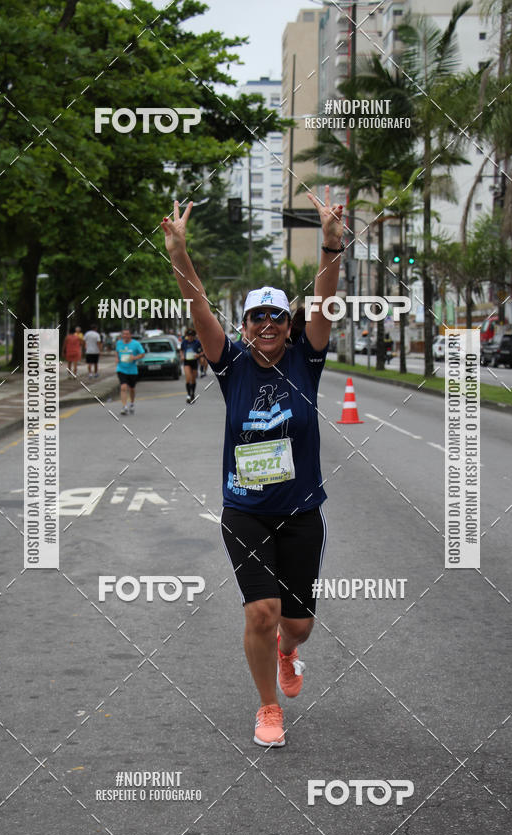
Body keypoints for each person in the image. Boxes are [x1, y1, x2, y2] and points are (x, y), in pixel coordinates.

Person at [162, 187, 343, 748]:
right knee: (261, 613)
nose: (267, 324)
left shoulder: (306, 360)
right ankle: (268, 708)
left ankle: (289, 655)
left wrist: (331, 244)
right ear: (243, 326)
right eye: (256, 317)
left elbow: (323, 299)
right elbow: (197, 305)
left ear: (288, 325)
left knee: (298, 626)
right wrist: (179, 254)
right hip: (244, 509)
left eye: (276, 317)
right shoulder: (232, 363)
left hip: (301, 511)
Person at [115, 328, 145, 415]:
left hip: (132, 370)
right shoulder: (119, 343)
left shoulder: (136, 344)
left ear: (130, 335)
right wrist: (116, 358)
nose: (125, 336)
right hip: (121, 368)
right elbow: (117, 352)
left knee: (132, 388)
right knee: (123, 387)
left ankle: (131, 403)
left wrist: (134, 358)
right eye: (124, 334)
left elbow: (142, 354)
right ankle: (124, 407)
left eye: (127, 334)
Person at [180, 327, 203, 403]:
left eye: (192, 336)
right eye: (189, 335)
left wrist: (198, 355)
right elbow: (181, 351)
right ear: (187, 336)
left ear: (194, 336)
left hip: (194, 361)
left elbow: (203, 351)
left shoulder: (197, 342)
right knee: (188, 377)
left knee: (193, 379)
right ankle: (188, 394)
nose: (190, 337)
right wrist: (182, 356)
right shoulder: (184, 342)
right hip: (187, 361)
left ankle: (192, 393)